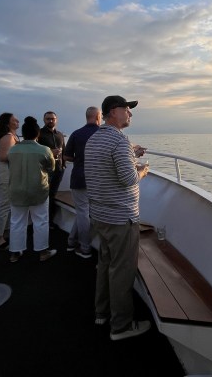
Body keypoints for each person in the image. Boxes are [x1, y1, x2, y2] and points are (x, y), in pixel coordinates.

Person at [84, 95, 150, 341]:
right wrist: (141, 170)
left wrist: (130, 154)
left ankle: (101, 313)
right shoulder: (119, 141)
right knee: (122, 271)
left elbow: (107, 167)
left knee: (105, 265)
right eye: (127, 110)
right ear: (114, 111)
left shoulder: (95, 139)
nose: (130, 114)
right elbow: (128, 179)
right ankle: (121, 326)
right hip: (121, 218)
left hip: (100, 215)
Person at [7, 116, 57, 263]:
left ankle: (15, 253)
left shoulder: (13, 150)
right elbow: (51, 168)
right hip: (38, 191)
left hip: (16, 191)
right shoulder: (45, 150)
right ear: (37, 134)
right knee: (41, 221)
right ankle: (42, 252)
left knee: (16, 222)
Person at [63, 106, 102, 258]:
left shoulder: (76, 134)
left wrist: (79, 159)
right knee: (85, 213)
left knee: (82, 212)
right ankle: (85, 248)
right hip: (98, 181)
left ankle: (72, 242)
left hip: (79, 178)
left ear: (87, 117)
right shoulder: (102, 134)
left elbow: (66, 157)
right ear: (98, 116)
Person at [0, 113, 20, 250]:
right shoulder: (8, 137)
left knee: (8, 204)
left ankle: (5, 232)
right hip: (7, 171)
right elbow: (3, 157)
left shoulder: (12, 136)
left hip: (11, 171)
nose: (17, 121)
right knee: (4, 205)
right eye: (14, 120)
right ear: (8, 124)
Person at [37, 111, 65, 229]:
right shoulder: (39, 134)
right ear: (44, 120)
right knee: (44, 196)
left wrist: (63, 165)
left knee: (52, 195)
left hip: (58, 169)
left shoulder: (60, 135)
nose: (50, 121)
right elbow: (36, 152)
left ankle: (50, 221)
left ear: (56, 120)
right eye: (48, 119)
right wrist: (50, 152)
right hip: (45, 170)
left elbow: (64, 150)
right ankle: (42, 222)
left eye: (53, 119)